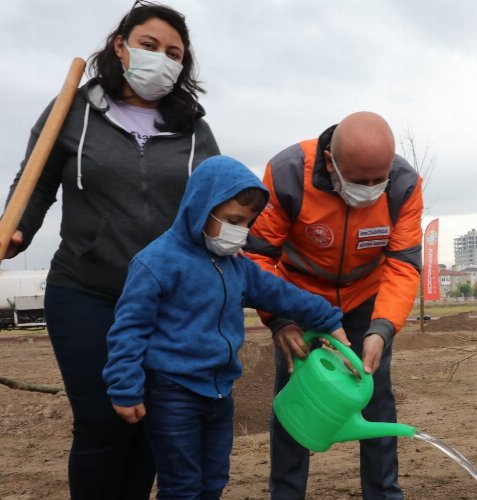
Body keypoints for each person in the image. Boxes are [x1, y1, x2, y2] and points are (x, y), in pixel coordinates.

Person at [2, 3, 219, 498]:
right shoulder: (70, 110)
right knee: (102, 422)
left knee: (148, 421)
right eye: (149, 45)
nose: (160, 58)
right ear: (120, 45)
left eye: (173, 53)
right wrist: (16, 232)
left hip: (166, 301)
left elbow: (216, 200)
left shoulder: (192, 128)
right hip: (85, 290)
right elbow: (34, 186)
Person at [102, 155, 346, 499]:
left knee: (214, 479)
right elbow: (129, 329)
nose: (240, 231)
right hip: (173, 393)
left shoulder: (235, 265)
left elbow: (279, 293)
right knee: (182, 486)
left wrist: (326, 318)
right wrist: (124, 387)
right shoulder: (157, 262)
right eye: (233, 220)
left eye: (247, 223)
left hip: (219, 393)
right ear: (202, 208)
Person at [245, 111, 423, 499]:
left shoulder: (404, 184)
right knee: (296, 398)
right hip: (297, 301)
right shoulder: (289, 172)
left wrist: (383, 328)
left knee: (375, 398)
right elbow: (257, 257)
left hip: (366, 300)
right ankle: (286, 494)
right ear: (331, 163)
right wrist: (280, 319)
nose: (371, 190)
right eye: (360, 181)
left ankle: (383, 493)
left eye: (380, 180)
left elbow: (403, 265)